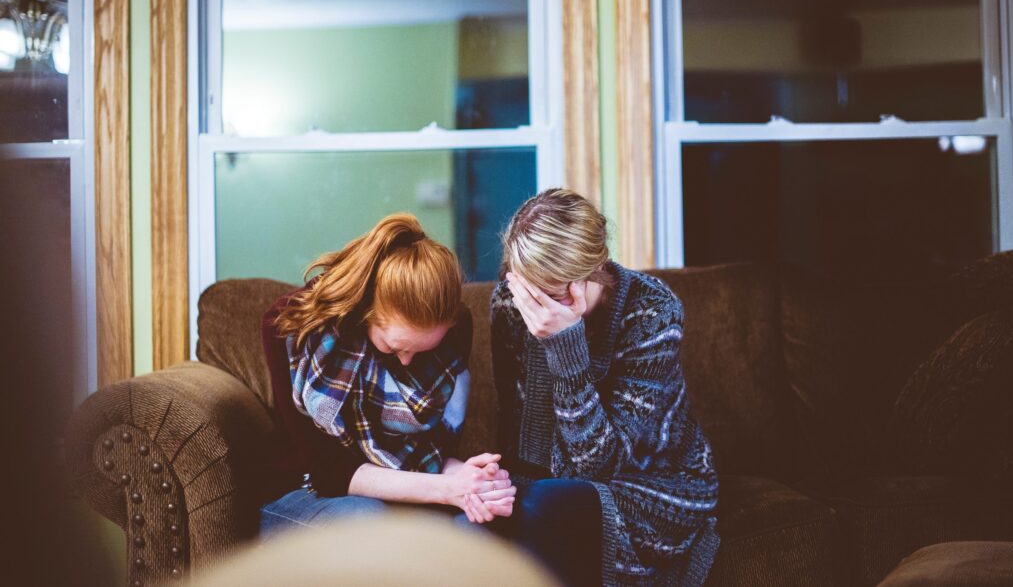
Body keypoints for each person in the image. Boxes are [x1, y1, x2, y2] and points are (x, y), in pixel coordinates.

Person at [490, 189, 721, 587]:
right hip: (548, 484)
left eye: (553, 291)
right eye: (528, 288)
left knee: (544, 506)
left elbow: (598, 467)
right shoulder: (512, 304)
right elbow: (518, 434)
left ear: (592, 270)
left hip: (653, 484)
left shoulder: (652, 311)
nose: (536, 306)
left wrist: (566, 346)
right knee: (487, 518)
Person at [260, 213, 515, 538]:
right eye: (394, 348)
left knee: (479, 527)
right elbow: (329, 473)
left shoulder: (454, 331)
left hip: (403, 487)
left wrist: (472, 479)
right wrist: (448, 489)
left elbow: (431, 453)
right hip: (305, 490)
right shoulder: (290, 328)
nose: (408, 363)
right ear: (365, 313)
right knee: (370, 522)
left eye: (421, 351)